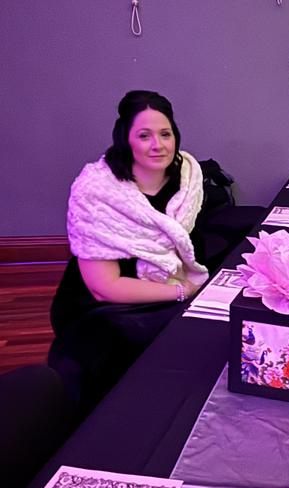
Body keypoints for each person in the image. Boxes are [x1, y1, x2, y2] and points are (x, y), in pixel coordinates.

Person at [50, 90, 209, 411]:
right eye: (144, 135)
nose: (158, 145)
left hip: (169, 285)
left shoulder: (188, 176)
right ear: (125, 139)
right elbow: (103, 287)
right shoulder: (96, 192)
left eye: (165, 134)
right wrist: (182, 291)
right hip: (103, 307)